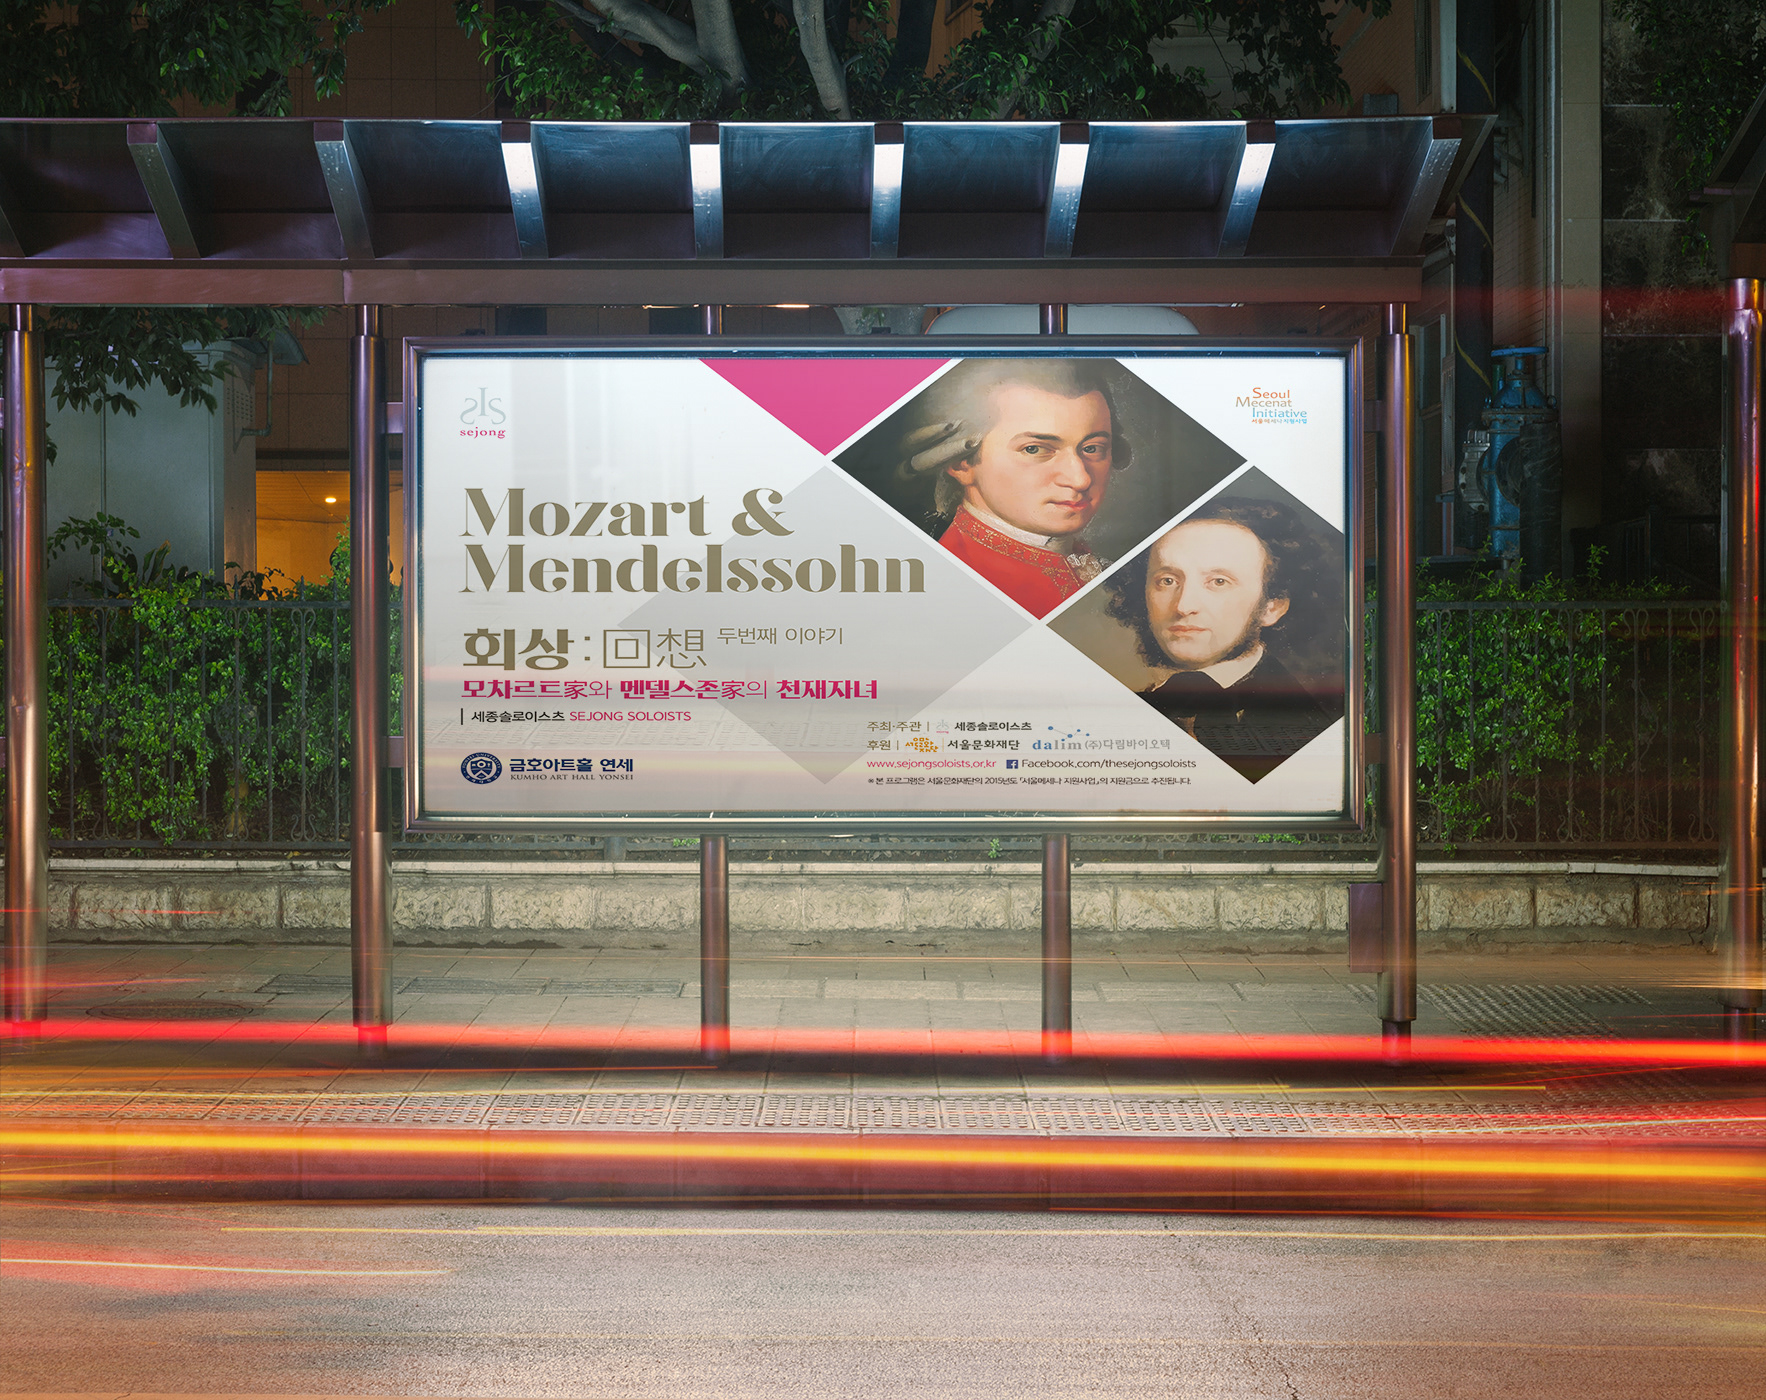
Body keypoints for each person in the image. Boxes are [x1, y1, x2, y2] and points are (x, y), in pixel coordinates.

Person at [1104, 496, 1344, 781]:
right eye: (1167, 581)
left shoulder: (1308, 730)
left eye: (1218, 582)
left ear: (1272, 606)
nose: (1183, 606)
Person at [898, 360, 1126, 616]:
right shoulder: (954, 588)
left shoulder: (1087, 563)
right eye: (1034, 449)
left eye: (1092, 448)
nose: (1080, 479)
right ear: (961, 463)